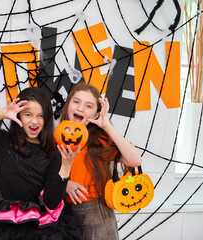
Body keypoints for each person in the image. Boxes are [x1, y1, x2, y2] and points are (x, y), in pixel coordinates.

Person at [0, 87, 82, 240]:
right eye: (28, 115)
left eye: (40, 116)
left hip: (36, 226)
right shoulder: (3, 140)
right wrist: (3, 113)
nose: (34, 121)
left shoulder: (52, 153)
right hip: (2, 222)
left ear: (47, 119)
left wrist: (66, 166)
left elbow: (51, 202)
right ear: (19, 116)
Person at [61, 82, 142, 240]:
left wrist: (107, 127)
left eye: (88, 106)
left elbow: (135, 160)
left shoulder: (100, 140)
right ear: (68, 105)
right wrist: (65, 184)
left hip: (95, 212)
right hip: (64, 213)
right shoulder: (56, 137)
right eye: (76, 101)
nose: (80, 108)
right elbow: (47, 176)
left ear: (96, 114)